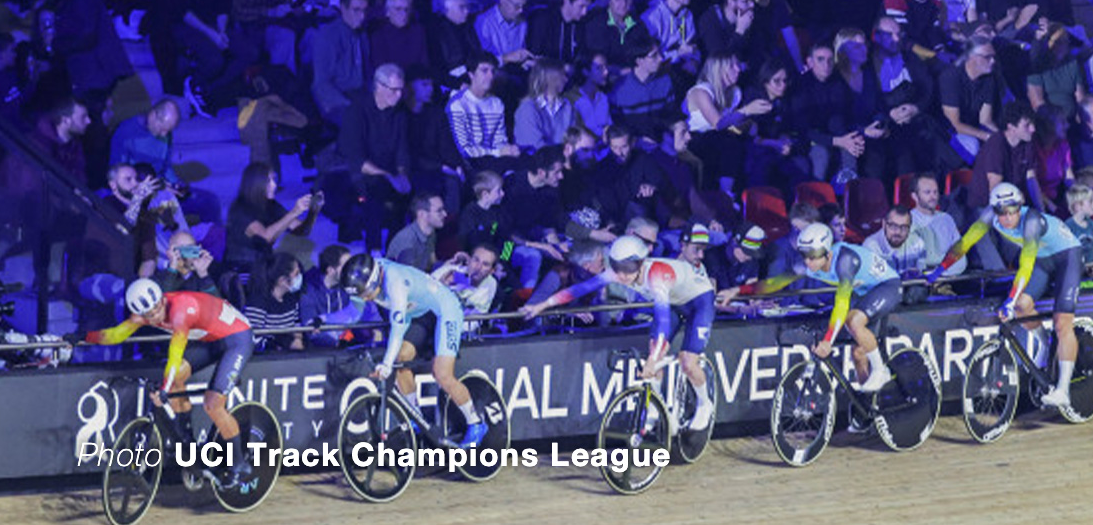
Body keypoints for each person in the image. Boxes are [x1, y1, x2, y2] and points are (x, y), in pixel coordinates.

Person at [521, 234, 717, 430]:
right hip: (675, 301)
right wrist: (543, 305)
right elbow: (579, 289)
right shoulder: (618, 272)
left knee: (687, 362)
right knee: (653, 354)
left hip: (699, 301)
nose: (622, 276)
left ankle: (704, 404)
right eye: (618, 268)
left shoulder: (656, 275)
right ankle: (657, 409)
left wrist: (652, 360)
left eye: (628, 270)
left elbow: (663, 320)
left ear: (640, 263)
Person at [931, 181, 1086, 415]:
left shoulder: (1031, 220)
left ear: (1019, 207)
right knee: (1023, 306)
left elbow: (1026, 265)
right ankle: (1045, 344)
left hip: (1067, 256)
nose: (1007, 219)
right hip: (1043, 259)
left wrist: (1009, 301)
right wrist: (938, 271)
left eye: (1013, 212)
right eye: (1002, 213)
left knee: (1062, 323)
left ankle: (1063, 391)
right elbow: (965, 243)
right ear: (994, 210)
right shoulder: (988, 216)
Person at [84, 279, 255, 489]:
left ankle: (240, 464)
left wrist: (164, 389)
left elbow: (175, 352)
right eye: (149, 315)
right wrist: (84, 337)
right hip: (210, 339)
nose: (155, 315)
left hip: (237, 338)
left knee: (212, 404)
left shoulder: (181, 308)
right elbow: (116, 334)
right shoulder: (142, 314)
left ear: (162, 299)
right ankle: (189, 446)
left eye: (157, 308)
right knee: (174, 380)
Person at [341, 251, 489, 447]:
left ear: (375, 281)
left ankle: (476, 423)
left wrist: (385, 365)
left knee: (442, 374)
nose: (366, 299)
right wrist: (321, 320)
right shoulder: (365, 281)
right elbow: (353, 312)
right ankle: (416, 418)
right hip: (418, 311)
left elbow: (398, 329)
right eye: (361, 295)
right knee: (399, 359)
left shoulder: (395, 283)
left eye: (367, 294)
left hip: (445, 309)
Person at [745, 222, 899, 393]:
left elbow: (841, 303)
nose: (808, 261)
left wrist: (827, 341)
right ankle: (870, 406)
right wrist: (739, 291)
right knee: (858, 353)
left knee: (853, 322)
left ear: (827, 252)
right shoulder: (808, 265)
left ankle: (881, 371)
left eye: (813, 256)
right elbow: (774, 284)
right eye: (804, 255)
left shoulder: (845, 260)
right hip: (864, 291)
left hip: (887, 285)